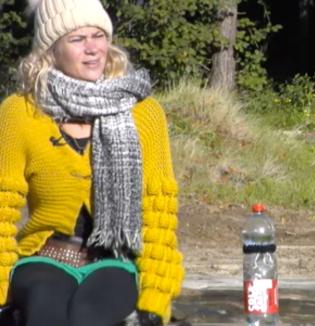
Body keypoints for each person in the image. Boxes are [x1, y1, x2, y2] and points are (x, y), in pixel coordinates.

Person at [0, 0, 184, 325]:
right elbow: (2, 207)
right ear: (50, 50)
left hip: (113, 260)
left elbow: (159, 213)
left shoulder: (144, 113)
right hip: (44, 256)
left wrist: (156, 299)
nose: (92, 49)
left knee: (89, 315)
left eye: (98, 36)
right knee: (46, 310)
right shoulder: (20, 112)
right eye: (77, 39)